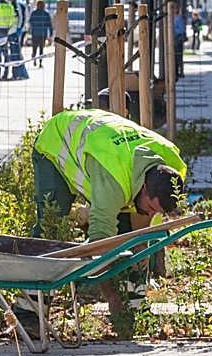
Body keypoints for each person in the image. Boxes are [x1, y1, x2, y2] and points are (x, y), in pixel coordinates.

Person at [29, 108, 185, 316]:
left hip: (102, 143)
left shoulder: (170, 166)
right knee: (51, 229)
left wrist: (140, 252)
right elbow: (98, 245)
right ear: (144, 187)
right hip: (57, 144)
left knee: (129, 235)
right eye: (150, 208)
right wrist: (112, 298)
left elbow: (139, 238)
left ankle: (136, 308)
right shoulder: (114, 182)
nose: (150, 215)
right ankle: (29, 312)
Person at [8, 0, 30, 80]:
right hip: (11, 31)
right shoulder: (12, 3)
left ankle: (20, 73)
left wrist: (19, 29)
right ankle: (16, 73)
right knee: (14, 52)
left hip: (17, 31)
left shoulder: (19, 4)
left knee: (16, 52)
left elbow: (22, 17)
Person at [29, 0, 54, 65]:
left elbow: (30, 22)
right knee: (41, 48)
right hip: (43, 33)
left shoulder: (34, 13)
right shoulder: (46, 13)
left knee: (34, 47)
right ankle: (40, 62)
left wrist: (30, 30)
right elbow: (50, 24)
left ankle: (34, 59)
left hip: (35, 33)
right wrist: (51, 33)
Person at [171, 0, 187, 77]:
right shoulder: (173, 18)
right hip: (173, 39)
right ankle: (175, 72)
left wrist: (173, 30)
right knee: (174, 56)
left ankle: (180, 72)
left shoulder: (178, 18)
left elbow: (181, 30)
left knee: (178, 56)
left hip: (177, 39)